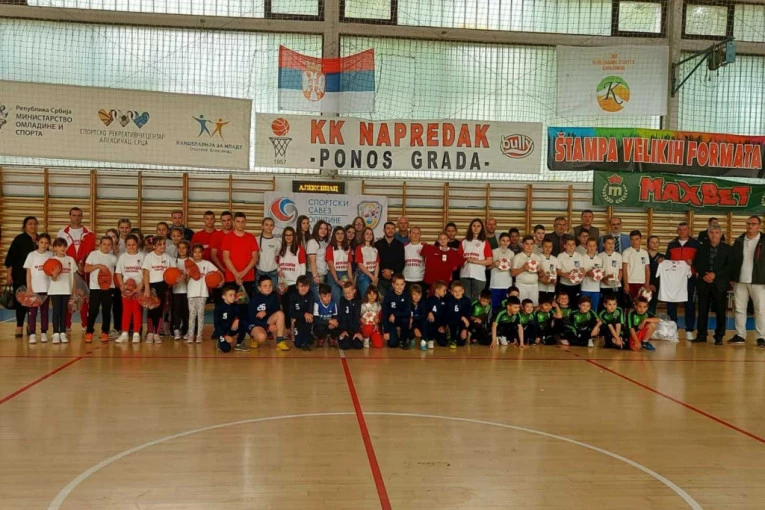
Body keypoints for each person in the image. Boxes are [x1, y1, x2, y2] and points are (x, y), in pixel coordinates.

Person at [693, 224, 733, 345]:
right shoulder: (701, 248)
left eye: (716, 233)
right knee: (702, 310)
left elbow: (730, 266)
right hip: (704, 282)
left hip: (719, 284)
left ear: (721, 234)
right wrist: (705, 275)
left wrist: (714, 275)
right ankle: (701, 335)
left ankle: (719, 336)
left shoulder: (728, 249)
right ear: (708, 234)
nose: (714, 235)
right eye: (711, 232)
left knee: (720, 311)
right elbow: (696, 263)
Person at [58, 207, 96, 333]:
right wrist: (72, 265)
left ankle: (85, 324)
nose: (76, 217)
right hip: (68, 270)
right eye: (74, 215)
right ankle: (67, 325)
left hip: (84, 271)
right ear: (70, 216)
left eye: (79, 215)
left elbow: (90, 252)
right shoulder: (62, 233)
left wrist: (82, 265)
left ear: (82, 217)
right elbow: (59, 252)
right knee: (68, 297)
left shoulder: (89, 233)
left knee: (84, 296)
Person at [730, 215, 765, 347]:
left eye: (753, 224)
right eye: (748, 223)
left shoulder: (764, 240)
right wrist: (733, 277)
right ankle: (740, 335)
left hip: (759, 280)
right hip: (740, 280)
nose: (750, 226)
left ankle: (761, 337)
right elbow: (734, 260)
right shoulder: (739, 240)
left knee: (760, 310)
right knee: (739, 309)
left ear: (759, 226)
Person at [666, 222, 700, 341]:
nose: (682, 232)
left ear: (688, 230)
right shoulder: (671, 244)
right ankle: (673, 329)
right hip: (673, 279)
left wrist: (693, 264)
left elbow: (701, 261)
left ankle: (689, 330)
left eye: (684, 229)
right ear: (677, 231)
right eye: (679, 229)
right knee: (671, 304)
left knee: (689, 304)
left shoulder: (696, 244)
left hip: (689, 278)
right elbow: (667, 261)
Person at [5, 216, 39, 337]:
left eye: (35, 224)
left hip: (36, 276)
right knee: (21, 301)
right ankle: (19, 326)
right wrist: (9, 274)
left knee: (33, 301)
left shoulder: (40, 239)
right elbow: (11, 258)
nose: (33, 226)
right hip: (19, 274)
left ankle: (30, 325)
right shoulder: (19, 239)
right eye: (30, 224)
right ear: (25, 226)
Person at [221, 212, 259, 311]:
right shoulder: (228, 237)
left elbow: (255, 258)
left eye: (242, 222)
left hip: (248, 277)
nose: (240, 224)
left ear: (245, 222)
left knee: (246, 306)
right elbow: (226, 258)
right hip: (231, 277)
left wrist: (243, 273)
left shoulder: (251, 237)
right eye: (238, 221)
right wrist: (236, 274)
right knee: (232, 305)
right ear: (234, 222)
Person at [84, 236, 117, 343]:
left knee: (107, 311)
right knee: (93, 310)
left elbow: (118, 272)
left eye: (109, 244)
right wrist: (98, 266)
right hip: (95, 288)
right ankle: (89, 332)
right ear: (100, 244)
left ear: (112, 246)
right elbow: (86, 269)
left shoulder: (113, 258)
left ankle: (105, 332)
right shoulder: (93, 254)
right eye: (104, 244)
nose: (106, 246)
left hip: (109, 288)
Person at [185, 243, 218, 344]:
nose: (197, 254)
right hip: (191, 293)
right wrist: (188, 274)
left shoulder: (207, 264)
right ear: (192, 253)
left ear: (203, 253)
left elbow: (216, 272)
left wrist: (219, 280)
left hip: (203, 293)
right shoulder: (189, 264)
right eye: (195, 252)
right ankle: (191, 335)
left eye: (199, 252)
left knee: (200, 315)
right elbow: (186, 281)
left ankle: (199, 335)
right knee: (192, 315)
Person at [23, 233, 52, 344]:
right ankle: (32, 333)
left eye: (46, 243)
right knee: (33, 312)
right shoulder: (31, 255)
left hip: (46, 288)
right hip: (34, 289)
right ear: (37, 242)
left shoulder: (50, 255)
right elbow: (28, 273)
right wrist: (29, 288)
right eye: (42, 242)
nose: (44, 245)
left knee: (45, 311)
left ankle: (44, 332)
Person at [115, 234, 144, 344]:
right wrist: (122, 284)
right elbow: (118, 272)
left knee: (136, 310)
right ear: (126, 245)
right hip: (127, 289)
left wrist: (141, 285)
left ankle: (136, 333)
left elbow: (146, 273)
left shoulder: (142, 256)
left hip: (138, 288)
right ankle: (124, 333)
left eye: (133, 245)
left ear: (137, 244)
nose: (131, 247)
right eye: (129, 245)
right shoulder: (122, 257)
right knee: (126, 311)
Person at [247, 275, 288, 350]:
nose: (268, 288)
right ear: (259, 288)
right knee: (261, 337)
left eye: (270, 285)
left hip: (268, 321)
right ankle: (253, 338)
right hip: (256, 324)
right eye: (265, 286)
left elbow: (277, 311)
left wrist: (266, 312)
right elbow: (251, 319)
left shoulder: (274, 297)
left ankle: (280, 341)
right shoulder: (254, 299)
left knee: (280, 314)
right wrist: (267, 326)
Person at [47, 238, 76, 345]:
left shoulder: (70, 260)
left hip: (66, 290)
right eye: (59, 246)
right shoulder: (51, 260)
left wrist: (73, 292)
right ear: (54, 248)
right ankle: (55, 333)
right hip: (55, 290)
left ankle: (63, 332)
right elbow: (52, 279)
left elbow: (73, 277)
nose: (62, 248)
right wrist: (54, 275)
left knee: (64, 312)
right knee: (56, 312)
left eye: (64, 246)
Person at [460, 219, 495, 303]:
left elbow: (489, 261)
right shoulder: (464, 242)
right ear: (470, 227)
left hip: (479, 275)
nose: (476, 228)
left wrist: (474, 261)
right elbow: (458, 259)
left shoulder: (485, 242)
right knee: (465, 298)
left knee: (477, 300)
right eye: (474, 226)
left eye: (478, 226)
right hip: (465, 274)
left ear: (481, 228)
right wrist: (465, 261)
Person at [276, 227, 307, 316]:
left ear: (294, 236)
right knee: (285, 306)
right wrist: (279, 270)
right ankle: (287, 324)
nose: (288, 237)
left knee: (295, 307)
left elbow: (302, 265)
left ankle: (295, 323)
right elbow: (277, 263)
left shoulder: (299, 248)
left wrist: (301, 282)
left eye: (290, 235)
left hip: (295, 283)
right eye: (286, 235)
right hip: (283, 284)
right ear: (283, 236)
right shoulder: (280, 248)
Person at [375, 222, 405, 298]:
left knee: (393, 302)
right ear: (383, 230)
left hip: (395, 281)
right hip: (380, 280)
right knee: (381, 302)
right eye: (388, 228)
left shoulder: (400, 245)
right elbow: (375, 262)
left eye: (392, 229)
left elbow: (401, 262)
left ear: (395, 231)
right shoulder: (377, 244)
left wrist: (391, 272)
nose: (390, 231)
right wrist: (383, 272)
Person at [511, 235, 543, 305]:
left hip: (534, 285)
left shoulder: (537, 257)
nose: (529, 246)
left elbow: (541, 275)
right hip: (521, 285)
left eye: (531, 244)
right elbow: (512, 273)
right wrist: (523, 268)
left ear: (534, 245)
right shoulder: (517, 257)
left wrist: (540, 271)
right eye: (527, 244)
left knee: (533, 305)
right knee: (521, 305)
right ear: (523, 245)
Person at [326, 226, 353, 304]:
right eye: (337, 234)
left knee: (346, 299)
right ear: (334, 235)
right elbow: (331, 266)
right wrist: (337, 280)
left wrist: (350, 278)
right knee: (336, 299)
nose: (340, 236)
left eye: (342, 234)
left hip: (344, 274)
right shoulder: (330, 248)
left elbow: (349, 264)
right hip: (333, 275)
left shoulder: (347, 248)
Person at [382, 273, 410, 348]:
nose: (399, 287)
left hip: (402, 320)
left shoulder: (407, 295)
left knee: (406, 320)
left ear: (404, 285)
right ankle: (394, 337)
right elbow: (385, 314)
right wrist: (386, 331)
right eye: (397, 284)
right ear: (393, 285)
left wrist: (395, 314)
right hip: (391, 321)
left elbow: (408, 312)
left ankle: (403, 340)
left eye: (402, 284)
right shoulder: (388, 296)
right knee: (392, 344)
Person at [214, 284, 244, 353]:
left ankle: (239, 343)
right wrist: (224, 336)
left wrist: (237, 319)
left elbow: (242, 315)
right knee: (226, 349)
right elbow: (217, 324)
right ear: (224, 297)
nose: (233, 297)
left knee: (243, 322)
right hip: (222, 331)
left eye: (234, 295)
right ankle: (220, 342)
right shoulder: (219, 308)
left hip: (231, 329)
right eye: (230, 295)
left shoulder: (235, 306)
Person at [622, 230, 650, 301]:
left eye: (636, 239)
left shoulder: (644, 253)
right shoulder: (626, 252)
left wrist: (647, 283)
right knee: (631, 303)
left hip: (642, 282)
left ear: (641, 239)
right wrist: (626, 284)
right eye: (632, 239)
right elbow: (624, 269)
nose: (634, 242)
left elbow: (647, 268)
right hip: (630, 282)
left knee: (641, 303)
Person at [171, 240, 191, 341]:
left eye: (184, 248)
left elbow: (194, 277)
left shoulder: (191, 261)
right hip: (176, 291)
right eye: (179, 248)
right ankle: (176, 329)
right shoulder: (173, 261)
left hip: (188, 291)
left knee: (187, 312)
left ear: (187, 249)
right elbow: (169, 276)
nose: (181, 250)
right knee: (177, 311)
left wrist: (187, 276)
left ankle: (187, 330)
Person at [556, 235, 584, 306]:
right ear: (565, 246)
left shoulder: (579, 256)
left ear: (575, 246)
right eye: (569, 245)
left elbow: (582, 269)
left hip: (576, 285)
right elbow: (558, 271)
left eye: (573, 244)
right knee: (564, 304)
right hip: (564, 284)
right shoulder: (560, 256)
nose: (571, 247)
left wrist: (577, 274)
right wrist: (567, 275)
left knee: (575, 303)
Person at [306, 220, 330, 300]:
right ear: (316, 229)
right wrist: (315, 276)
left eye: (325, 229)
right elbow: (312, 261)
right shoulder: (312, 242)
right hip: (315, 275)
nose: (323, 231)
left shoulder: (326, 242)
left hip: (324, 273)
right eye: (321, 228)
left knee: (323, 298)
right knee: (317, 299)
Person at [489, 233, 514, 311]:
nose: (505, 243)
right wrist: (494, 264)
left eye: (507, 240)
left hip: (507, 284)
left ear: (510, 242)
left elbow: (513, 270)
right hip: (495, 284)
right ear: (499, 241)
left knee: (505, 306)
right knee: (495, 307)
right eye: (503, 240)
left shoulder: (511, 253)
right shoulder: (493, 252)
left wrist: (511, 266)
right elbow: (487, 267)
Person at [290, 275, 315, 350]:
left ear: (309, 286)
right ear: (297, 286)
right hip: (297, 319)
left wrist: (307, 314)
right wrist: (303, 314)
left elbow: (310, 311)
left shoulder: (310, 295)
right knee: (297, 344)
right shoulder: (293, 296)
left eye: (306, 286)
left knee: (309, 319)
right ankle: (308, 338)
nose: (304, 288)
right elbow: (291, 312)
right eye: (301, 286)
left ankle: (305, 341)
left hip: (307, 320)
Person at [337, 282, 364, 350]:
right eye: (345, 293)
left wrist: (357, 332)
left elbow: (357, 317)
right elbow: (341, 316)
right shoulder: (342, 300)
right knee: (345, 346)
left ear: (354, 291)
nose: (347, 295)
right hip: (345, 329)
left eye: (349, 293)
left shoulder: (358, 301)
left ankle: (352, 339)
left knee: (359, 345)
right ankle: (344, 338)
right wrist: (343, 331)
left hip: (355, 329)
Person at [355, 227, 380, 298]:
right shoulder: (359, 248)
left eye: (371, 234)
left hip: (373, 274)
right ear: (363, 235)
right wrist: (371, 276)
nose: (369, 236)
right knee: (366, 297)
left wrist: (375, 277)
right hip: (363, 275)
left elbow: (377, 264)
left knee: (373, 297)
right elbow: (360, 264)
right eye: (367, 234)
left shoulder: (375, 249)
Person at [255, 217, 280, 290]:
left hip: (273, 273)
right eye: (266, 225)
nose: (269, 227)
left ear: (273, 227)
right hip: (260, 272)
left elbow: (277, 257)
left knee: (273, 293)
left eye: (271, 225)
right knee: (259, 293)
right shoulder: (256, 240)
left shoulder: (277, 242)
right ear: (262, 226)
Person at [599, 235, 623, 306]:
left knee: (616, 305)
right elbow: (599, 272)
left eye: (612, 243)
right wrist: (604, 280)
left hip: (616, 286)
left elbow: (620, 270)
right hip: (604, 286)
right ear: (603, 244)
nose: (611, 245)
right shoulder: (599, 256)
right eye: (608, 243)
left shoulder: (618, 256)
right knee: (605, 305)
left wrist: (618, 281)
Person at [446, 280, 472, 348]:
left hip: (463, 322)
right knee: (452, 320)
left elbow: (468, 314)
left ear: (463, 291)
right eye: (455, 291)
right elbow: (451, 313)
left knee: (461, 343)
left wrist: (465, 328)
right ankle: (452, 338)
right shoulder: (450, 300)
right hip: (453, 321)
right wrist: (462, 317)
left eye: (459, 291)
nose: (457, 293)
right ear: (451, 292)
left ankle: (464, 334)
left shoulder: (467, 300)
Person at [581, 238, 603, 310]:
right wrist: (588, 273)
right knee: (584, 308)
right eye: (589, 246)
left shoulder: (599, 259)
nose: (592, 248)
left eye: (593, 246)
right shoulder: (582, 258)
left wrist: (601, 274)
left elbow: (601, 273)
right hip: (585, 287)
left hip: (596, 288)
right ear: (586, 246)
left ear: (596, 247)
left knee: (594, 309)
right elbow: (580, 273)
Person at [403, 227, 426, 292]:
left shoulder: (424, 247)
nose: (415, 235)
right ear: (409, 234)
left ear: (420, 235)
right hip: (406, 278)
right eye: (413, 233)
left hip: (420, 279)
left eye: (418, 233)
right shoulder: (404, 247)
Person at [210, 211, 233, 276]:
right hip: (221, 271)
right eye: (224, 221)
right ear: (221, 222)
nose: (226, 223)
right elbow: (213, 256)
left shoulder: (237, 234)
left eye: (228, 220)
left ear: (232, 220)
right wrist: (223, 270)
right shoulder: (216, 236)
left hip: (236, 271)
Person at [360, 284, 383, 349]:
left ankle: (372, 338)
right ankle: (366, 338)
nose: (372, 296)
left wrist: (378, 320)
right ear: (367, 295)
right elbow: (359, 317)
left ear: (377, 295)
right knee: (368, 328)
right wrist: (361, 319)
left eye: (374, 294)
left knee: (379, 345)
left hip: (374, 327)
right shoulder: (363, 305)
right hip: (365, 326)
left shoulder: (378, 305)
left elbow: (380, 317)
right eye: (370, 294)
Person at [646, 236, 664, 315]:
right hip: (645, 283)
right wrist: (648, 284)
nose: (655, 244)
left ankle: (650, 320)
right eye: (652, 242)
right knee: (643, 304)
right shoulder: (643, 255)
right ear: (648, 244)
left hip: (657, 285)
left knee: (653, 306)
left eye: (657, 242)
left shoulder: (663, 257)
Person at [537, 238, 558, 305]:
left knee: (550, 305)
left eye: (550, 247)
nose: (548, 249)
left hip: (551, 288)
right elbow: (536, 273)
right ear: (542, 246)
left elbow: (555, 272)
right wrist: (543, 280)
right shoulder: (538, 257)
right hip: (540, 288)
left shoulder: (555, 259)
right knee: (541, 305)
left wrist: (554, 281)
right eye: (546, 246)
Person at [410, 283, 428, 350]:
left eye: (418, 294)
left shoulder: (423, 303)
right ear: (410, 295)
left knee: (424, 322)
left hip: (419, 321)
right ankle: (411, 338)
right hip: (411, 323)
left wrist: (414, 318)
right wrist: (414, 328)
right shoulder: (408, 304)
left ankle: (423, 341)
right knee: (407, 322)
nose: (416, 296)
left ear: (421, 295)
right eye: (414, 294)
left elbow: (424, 315)